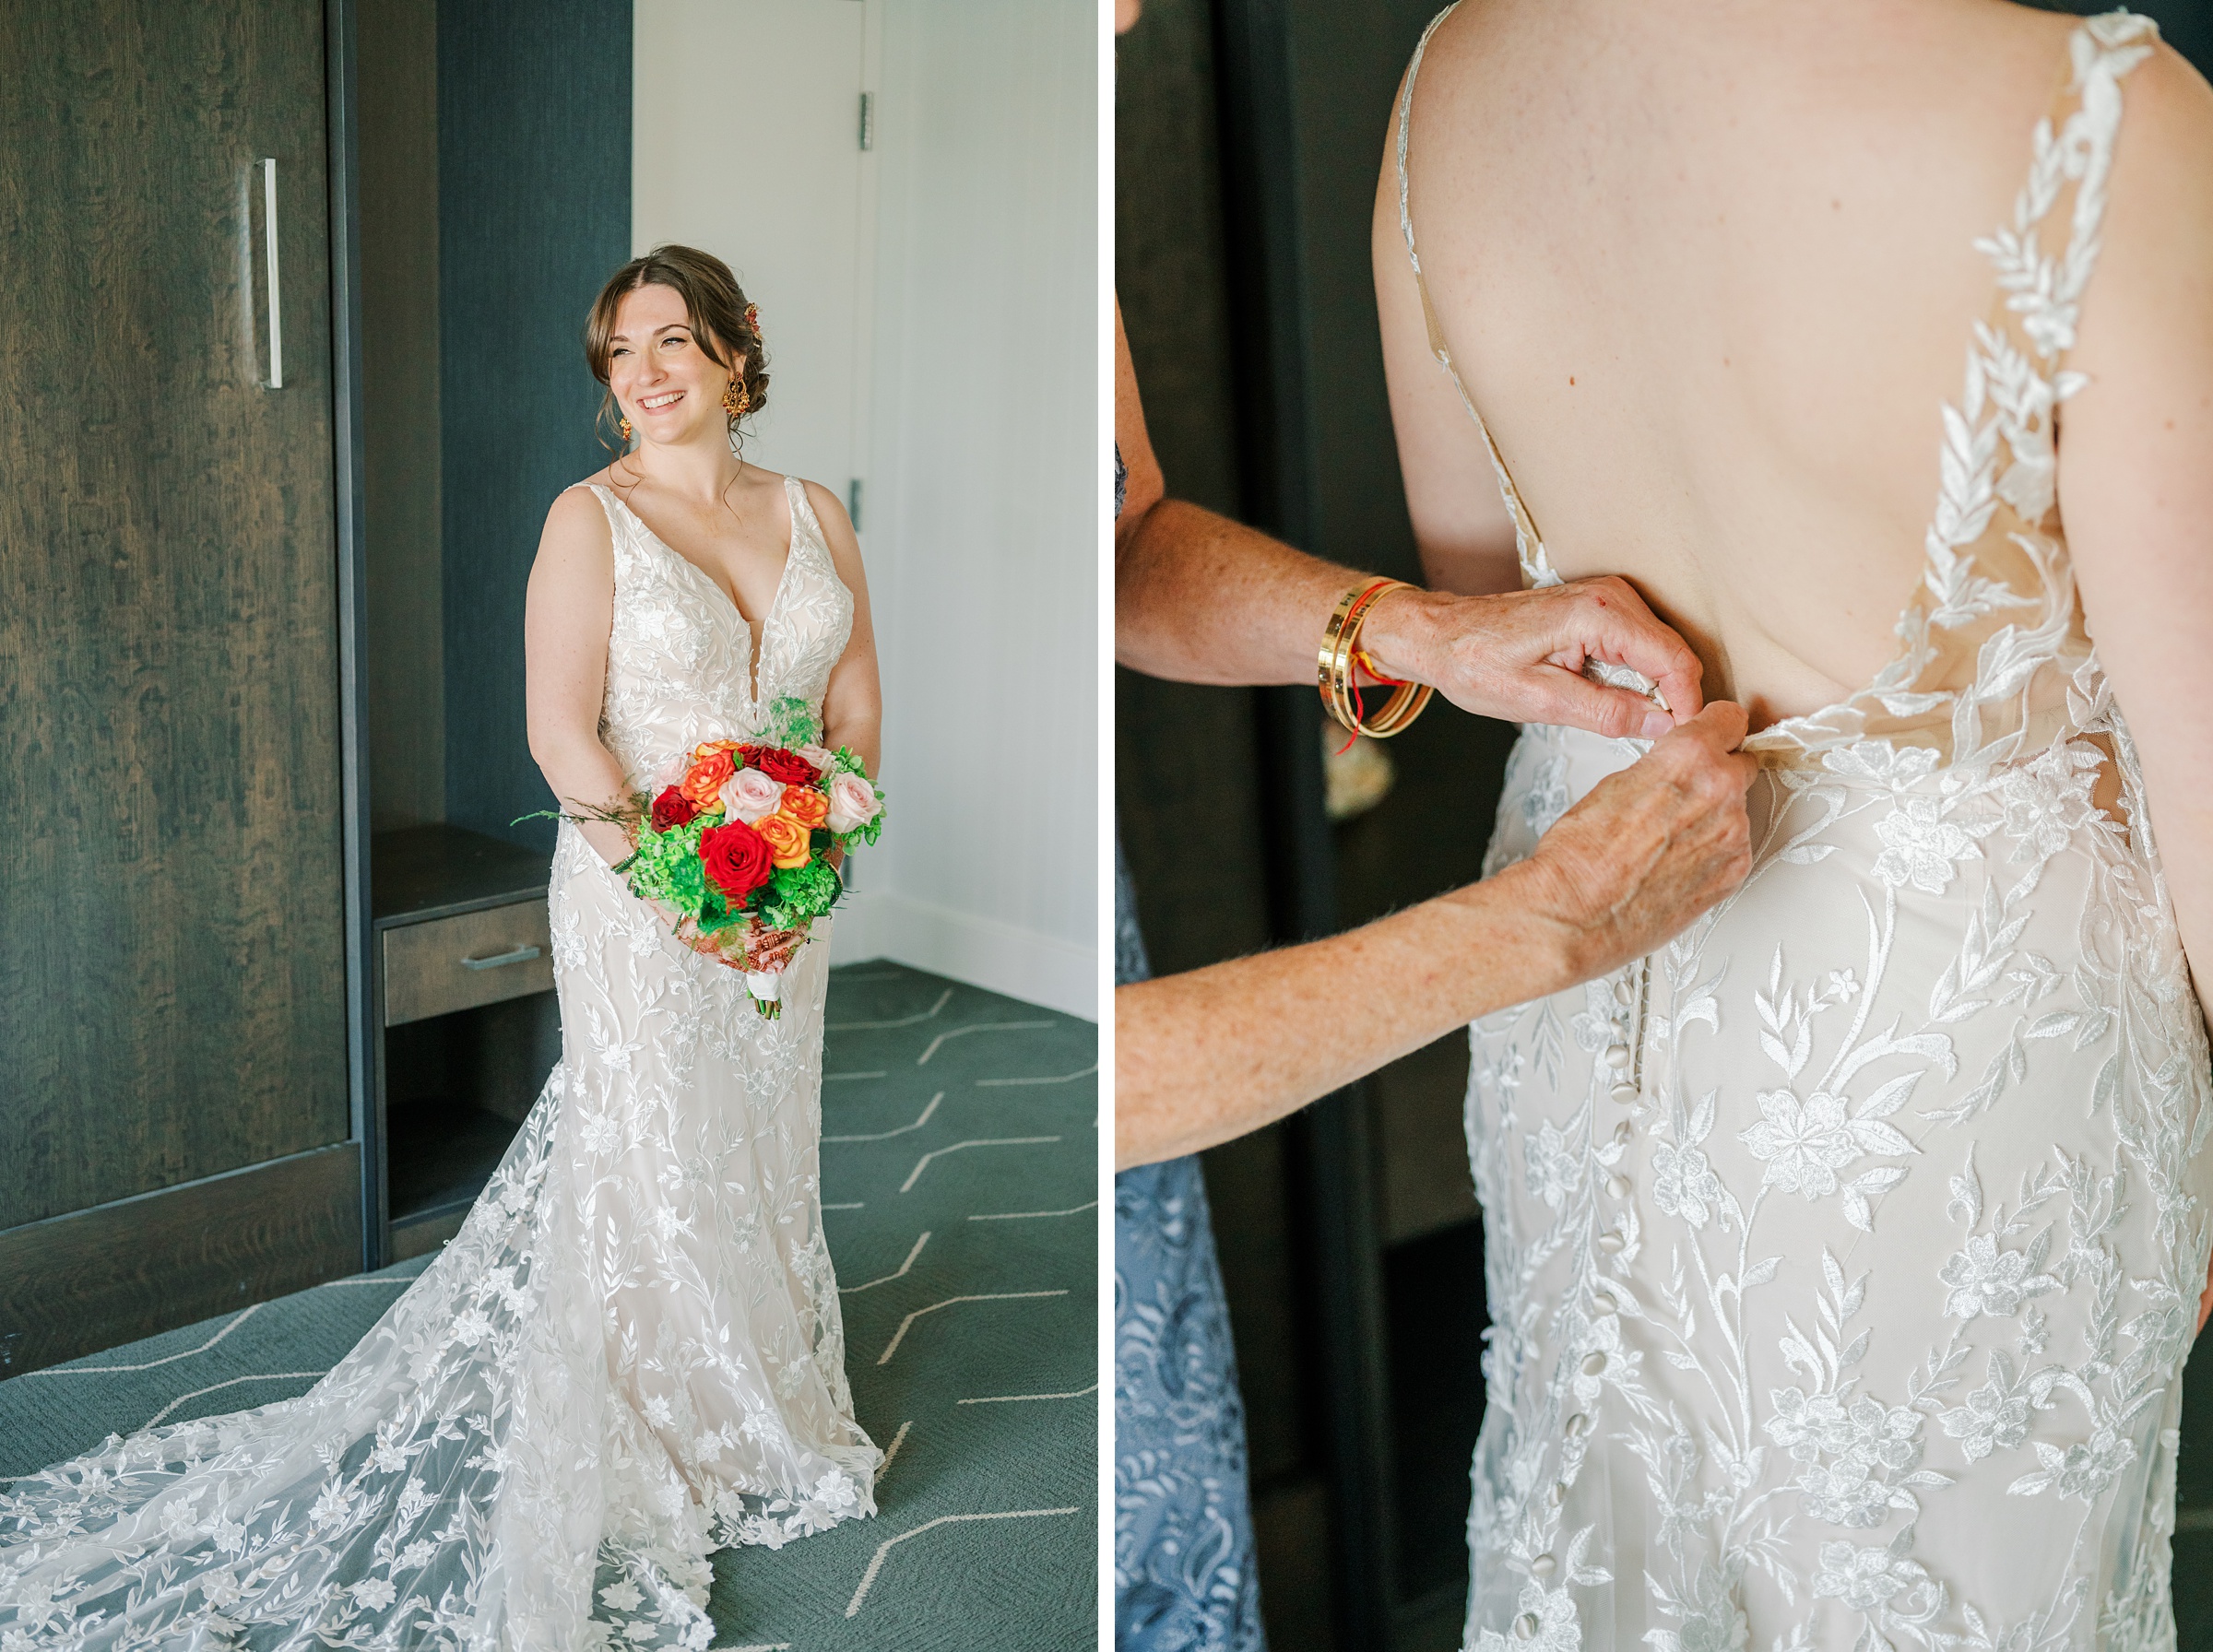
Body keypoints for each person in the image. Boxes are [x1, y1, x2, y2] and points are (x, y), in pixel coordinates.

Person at [1376, 4, 2213, 1646]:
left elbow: (1481, 605)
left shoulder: (1454, 71)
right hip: (1962, 1056)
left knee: (1617, 1536)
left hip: (1590, 960)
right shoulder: (2099, 111)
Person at [0, 245, 882, 1648]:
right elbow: (560, 732)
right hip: (643, 887)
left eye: (668, 342)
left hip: (785, 896)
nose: (644, 376)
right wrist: (681, 896)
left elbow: (847, 700)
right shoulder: (590, 519)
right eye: (618, 354)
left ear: (734, 347)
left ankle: (763, 1383)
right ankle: (676, 1408)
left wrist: (811, 858)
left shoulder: (814, 511)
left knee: (763, 1127)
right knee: (652, 1141)